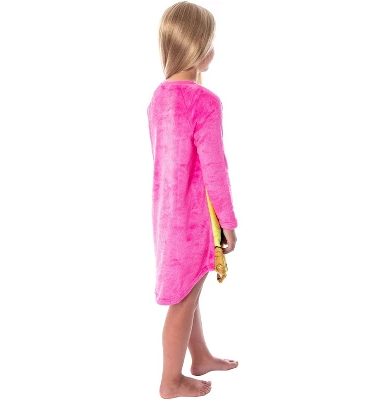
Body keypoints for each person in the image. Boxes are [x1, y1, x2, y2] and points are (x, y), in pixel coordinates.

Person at [147, 2, 239, 398]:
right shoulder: (204, 101)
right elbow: (215, 169)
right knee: (183, 300)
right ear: (199, 47)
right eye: (210, 41)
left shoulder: (158, 98)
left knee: (190, 291)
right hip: (196, 219)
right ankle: (171, 380)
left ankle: (199, 356)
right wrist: (228, 223)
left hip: (166, 216)